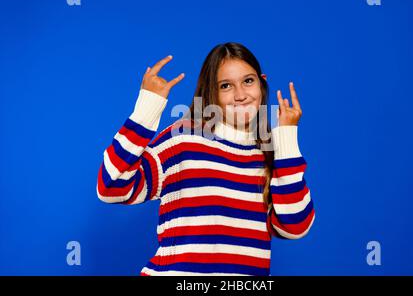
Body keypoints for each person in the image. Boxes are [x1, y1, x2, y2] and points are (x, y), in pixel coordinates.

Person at [96, 42, 316, 276]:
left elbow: (295, 226)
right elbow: (112, 187)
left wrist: (287, 139)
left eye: (248, 81)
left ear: (262, 83)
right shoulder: (184, 139)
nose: (240, 95)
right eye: (226, 86)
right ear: (212, 92)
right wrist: (146, 108)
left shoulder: (269, 156)